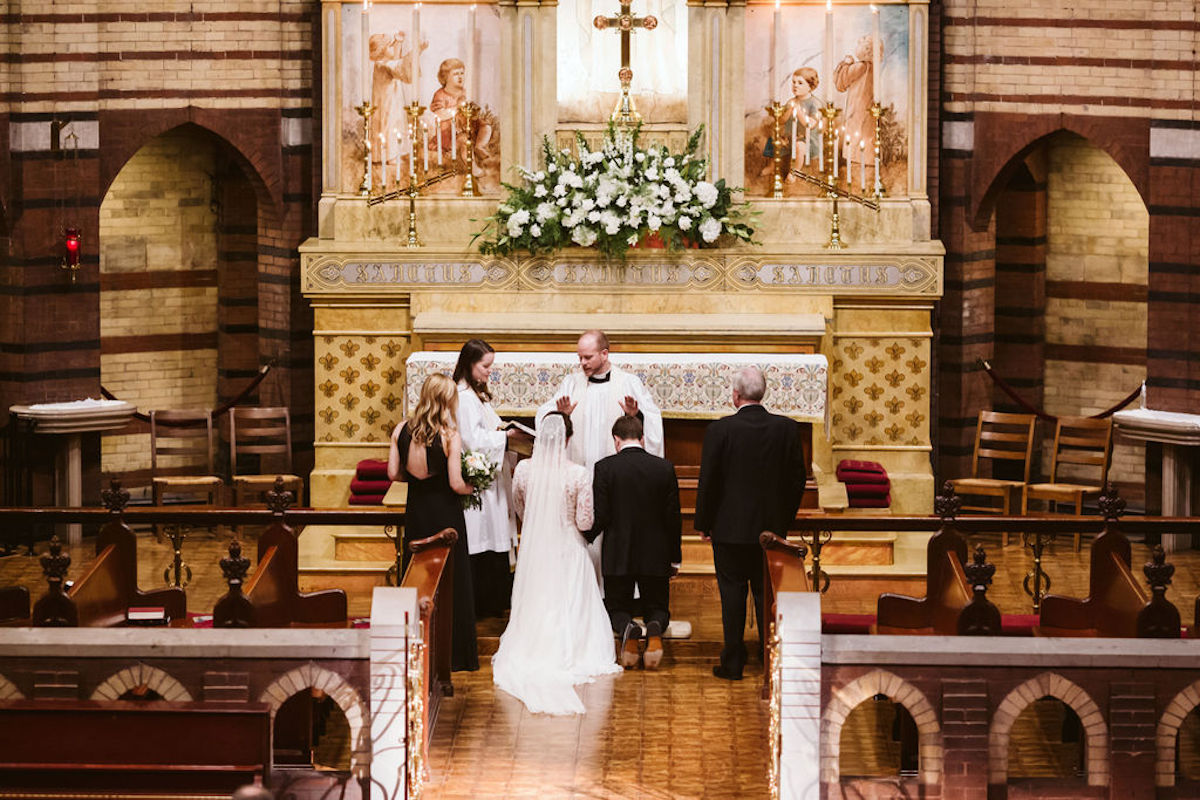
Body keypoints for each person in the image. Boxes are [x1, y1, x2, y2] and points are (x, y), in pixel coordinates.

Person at [491, 412, 622, 715]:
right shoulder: (578, 474)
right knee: (569, 597)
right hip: (568, 544)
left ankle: (534, 646)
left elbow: (521, 508)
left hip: (535, 547)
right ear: (567, 439)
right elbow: (585, 519)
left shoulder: (523, 469)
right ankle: (571, 650)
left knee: (538, 597)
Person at [694, 366, 807, 681]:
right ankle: (769, 659)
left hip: (728, 531)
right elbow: (798, 478)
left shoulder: (720, 430)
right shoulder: (787, 429)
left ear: (735, 395)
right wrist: (783, 521)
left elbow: (709, 481)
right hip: (770, 532)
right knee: (766, 594)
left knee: (731, 595)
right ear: (763, 393)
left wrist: (704, 523)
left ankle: (732, 662)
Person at [535, 329, 664, 579]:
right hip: (580, 472)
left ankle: (618, 590)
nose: (582, 363)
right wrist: (562, 416)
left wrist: (635, 416)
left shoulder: (628, 382)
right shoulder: (571, 383)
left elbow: (653, 424)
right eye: (579, 358)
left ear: (605, 354)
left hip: (615, 476)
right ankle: (584, 588)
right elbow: (546, 419)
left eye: (588, 357)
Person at [388, 373, 479, 672]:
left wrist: (415, 478)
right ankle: (454, 655)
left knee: (417, 576)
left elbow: (393, 474)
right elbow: (455, 483)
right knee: (451, 580)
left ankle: (417, 649)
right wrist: (473, 487)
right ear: (446, 400)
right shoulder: (450, 435)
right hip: (446, 514)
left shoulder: (401, 429)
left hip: (417, 510)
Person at [588, 415, 681, 670]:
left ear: (616, 440)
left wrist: (583, 538)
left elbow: (602, 515)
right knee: (658, 606)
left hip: (619, 552)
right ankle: (654, 628)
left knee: (616, 606)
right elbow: (673, 517)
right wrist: (675, 557)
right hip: (656, 553)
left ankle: (628, 628)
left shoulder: (604, 468)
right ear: (642, 439)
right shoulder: (664, 467)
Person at [453, 338, 528, 618]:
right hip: (479, 484)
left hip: (491, 480)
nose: (489, 372)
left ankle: (494, 599)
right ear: (469, 364)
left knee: (493, 535)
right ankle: (483, 602)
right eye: (486, 366)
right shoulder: (463, 398)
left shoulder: (476, 396)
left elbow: (486, 431)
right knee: (482, 537)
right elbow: (472, 440)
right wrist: (505, 437)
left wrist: (503, 432)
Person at [429, 58, 494, 164]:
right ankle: (472, 167)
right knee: (464, 141)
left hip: (467, 127)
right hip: (449, 133)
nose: (460, 77)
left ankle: (479, 146)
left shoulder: (465, 92)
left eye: (462, 73)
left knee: (485, 126)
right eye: (456, 74)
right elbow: (440, 114)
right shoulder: (440, 94)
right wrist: (456, 109)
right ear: (445, 77)